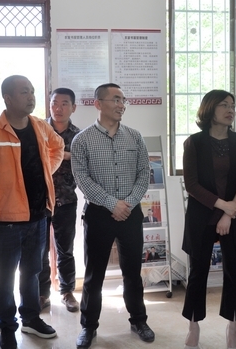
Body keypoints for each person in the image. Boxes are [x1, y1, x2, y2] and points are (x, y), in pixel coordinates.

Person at [0, 75, 64, 349]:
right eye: (24, 92)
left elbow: (58, 147)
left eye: (32, 91)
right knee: (5, 276)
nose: (31, 96)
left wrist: (46, 171)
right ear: (8, 98)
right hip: (6, 220)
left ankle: (31, 318)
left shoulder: (40, 126)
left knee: (33, 271)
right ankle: (7, 325)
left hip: (38, 215)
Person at [71, 83, 154, 349]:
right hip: (98, 214)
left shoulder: (135, 137)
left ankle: (139, 320)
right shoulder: (82, 140)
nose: (121, 105)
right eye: (115, 99)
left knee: (133, 273)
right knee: (94, 276)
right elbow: (82, 179)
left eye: (123, 100)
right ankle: (88, 327)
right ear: (98, 104)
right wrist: (111, 204)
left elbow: (144, 173)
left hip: (130, 213)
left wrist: (127, 204)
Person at [181, 89, 236, 349]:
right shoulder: (194, 143)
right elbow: (192, 184)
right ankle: (193, 324)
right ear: (209, 109)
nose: (230, 109)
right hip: (202, 215)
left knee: (234, 272)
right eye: (224, 104)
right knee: (198, 272)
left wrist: (229, 213)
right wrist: (224, 207)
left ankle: (232, 326)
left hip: (235, 216)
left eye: (232, 105)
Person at [39, 87, 81, 313]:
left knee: (65, 249)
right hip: (40, 199)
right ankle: (42, 293)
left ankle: (67, 291)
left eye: (64, 103)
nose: (58, 108)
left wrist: (63, 154)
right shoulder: (38, 129)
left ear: (73, 107)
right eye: (55, 103)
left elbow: (85, 161)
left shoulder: (79, 135)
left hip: (66, 199)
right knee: (40, 250)